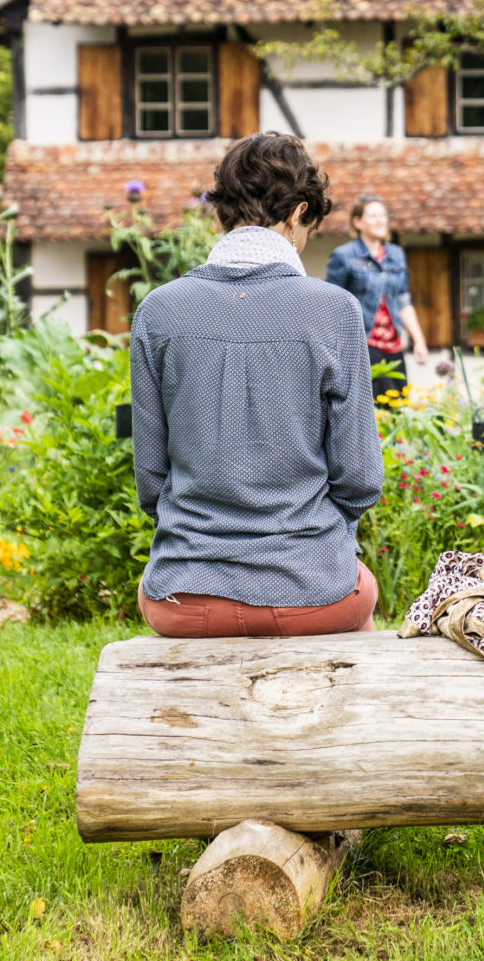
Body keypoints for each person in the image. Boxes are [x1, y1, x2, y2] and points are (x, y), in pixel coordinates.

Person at [129, 132, 383, 638]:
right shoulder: (334, 311)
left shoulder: (158, 310)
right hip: (313, 592)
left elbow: (151, 482)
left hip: (184, 594)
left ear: (221, 213)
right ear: (297, 215)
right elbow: (360, 480)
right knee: (362, 599)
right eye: (309, 226)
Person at [325, 194, 431, 404]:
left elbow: (402, 300)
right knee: (368, 410)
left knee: (398, 407)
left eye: (383, 215)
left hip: (393, 346)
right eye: (373, 216)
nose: (380, 220)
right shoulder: (343, 256)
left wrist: (419, 340)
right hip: (363, 345)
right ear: (358, 222)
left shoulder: (396, 255)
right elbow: (332, 305)